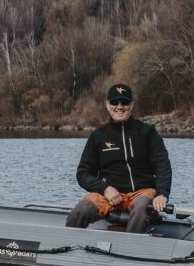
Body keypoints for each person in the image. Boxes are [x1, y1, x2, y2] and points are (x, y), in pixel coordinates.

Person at [65, 83, 172, 233]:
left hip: (141, 193)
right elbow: (83, 173)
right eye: (115, 102)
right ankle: (68, 249)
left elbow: (162, 166)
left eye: (125, 102)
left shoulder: (148, 132)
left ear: (132, 105)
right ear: (107, 105)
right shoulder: (98, 135)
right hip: (108, 196)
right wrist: (105, 189)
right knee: (79, 212)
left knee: (141, 208)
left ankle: (129, 250)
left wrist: (162, 194)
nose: (120, 107)